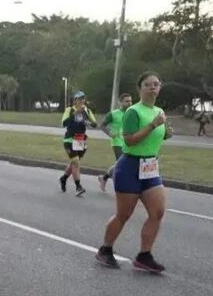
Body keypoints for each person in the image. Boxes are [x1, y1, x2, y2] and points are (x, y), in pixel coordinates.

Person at [96, 72, 172, 273]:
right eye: (148, 84)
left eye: (156, 84)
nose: (153, 87)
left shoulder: (159, 111)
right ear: (140, 89)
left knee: (158, 212)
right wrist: (153, 125)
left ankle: (144, 256)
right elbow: (129, 140)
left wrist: (165, 133)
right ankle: (105, 250)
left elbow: (153, 137)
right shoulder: (133, 112)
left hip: (151, 168)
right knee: (124, 215)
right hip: (130, 167)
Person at [58, 91, 97, 197]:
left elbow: (94, 123)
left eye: (83, 99)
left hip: (80, 140)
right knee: (75, 162)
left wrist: (88, 122)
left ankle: (63, 178)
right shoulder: (69, 110)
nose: (82, 101)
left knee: (75, 163)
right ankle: (78, 187)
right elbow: (63, 123)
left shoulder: (87, 111)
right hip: (70, 140)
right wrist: (75, 113)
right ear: (75, 100)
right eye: (79, 99)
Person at [97, 93, 133, 191]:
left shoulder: (132, 113)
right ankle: (122, 188)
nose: (129, 103)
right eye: (127, 101)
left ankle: (103, 178)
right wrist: (110, 133)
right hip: (117, 142)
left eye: (130, 101)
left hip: (129, 142)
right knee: (123, 164)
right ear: (120, 102)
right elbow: (102, 125)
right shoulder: (113, 114)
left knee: (120, 164)